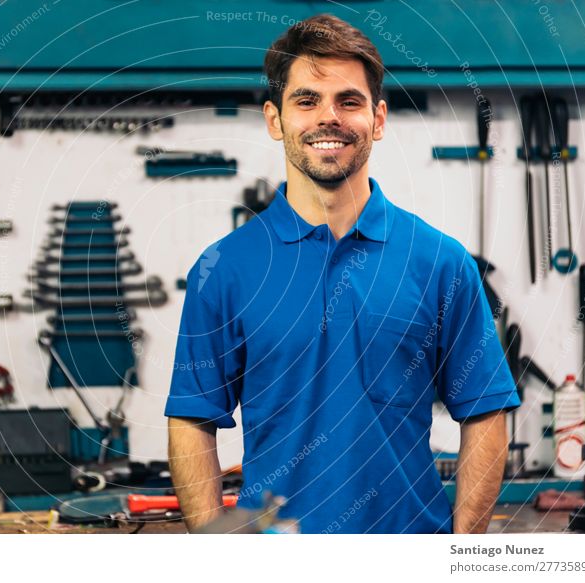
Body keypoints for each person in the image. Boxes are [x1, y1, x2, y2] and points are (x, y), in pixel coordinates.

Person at [164, 13, 519, 534]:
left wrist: (462, 554)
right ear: (274, 119)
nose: (328, 117)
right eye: (306, 100)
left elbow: (486, 412)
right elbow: (192, 420)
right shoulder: (224, 270)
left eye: (348, 101)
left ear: (377, 119)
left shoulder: (441, 263)